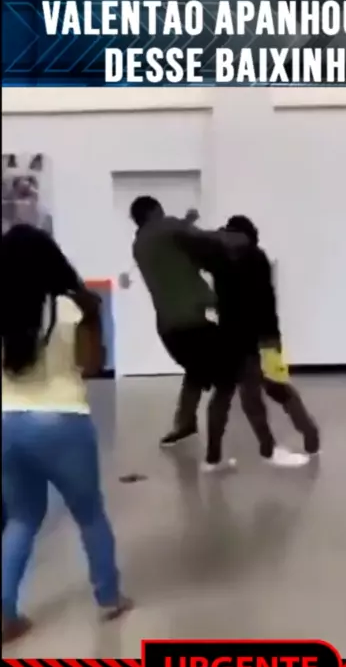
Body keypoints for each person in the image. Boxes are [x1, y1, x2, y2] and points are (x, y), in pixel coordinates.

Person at [2, 225, 130, 643]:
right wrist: (94, 320)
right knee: (89, 513)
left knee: (21, 517)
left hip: (6, 423)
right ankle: (109, 597)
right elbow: (91, 366)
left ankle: (4, 614)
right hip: (61, 420)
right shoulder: (71, 307)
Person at [131, 197, 308, 469]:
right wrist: (233, 237)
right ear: (155, 211)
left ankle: (193, 433)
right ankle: (266, 449)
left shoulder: (140, 245)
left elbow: (179, 241)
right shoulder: (172, 230)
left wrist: (188, 223)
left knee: (201, 372)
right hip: (198, 326)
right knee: (239, 381)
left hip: (170, 331)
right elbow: (198, 237)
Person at [224, 215, 320, 456]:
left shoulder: (253, 259)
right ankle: (268, 442)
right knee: (251, 396)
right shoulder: (236, 259)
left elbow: (259, 302)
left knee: (275, 389)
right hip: (247, 340)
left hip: (260, 337)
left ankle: (307, 430)